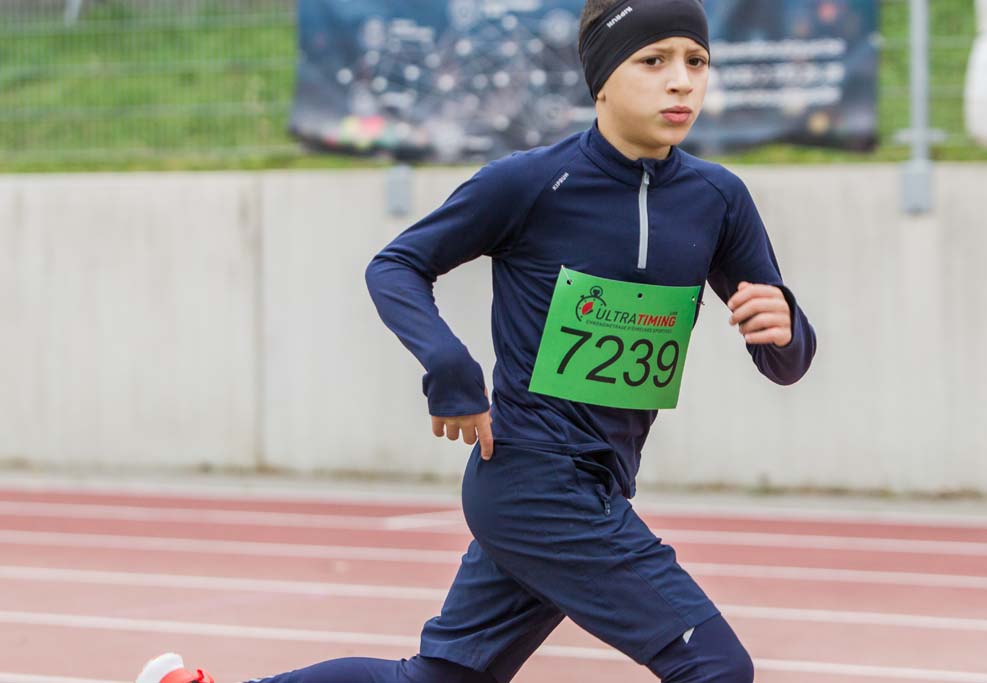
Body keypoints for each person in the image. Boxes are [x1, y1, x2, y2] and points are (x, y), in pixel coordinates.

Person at [136, 1, 815, 682]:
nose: (681, 81)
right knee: (717, 668)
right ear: (602, 79)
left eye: (696, 61)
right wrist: (448, 366)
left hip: (598, 480)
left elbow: (783, 360)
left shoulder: (717, 199)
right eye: (653, 60)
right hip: (533, 479)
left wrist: (786, 327)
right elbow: (396, 266)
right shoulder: (532, 183)